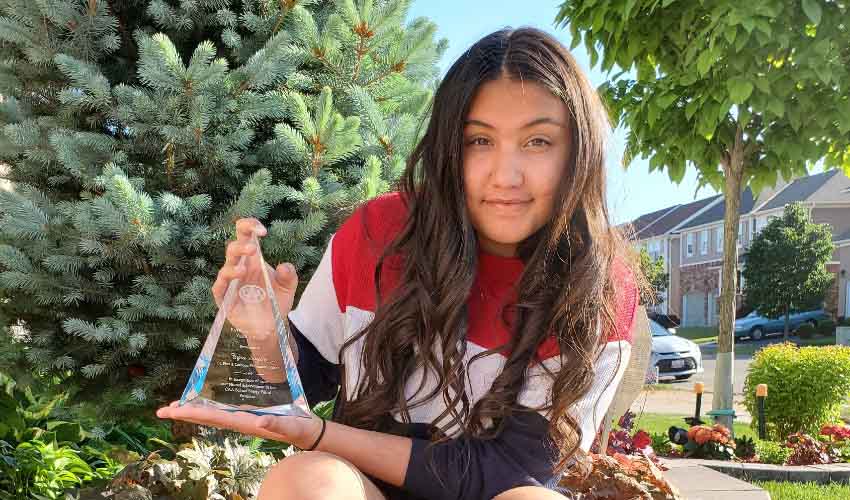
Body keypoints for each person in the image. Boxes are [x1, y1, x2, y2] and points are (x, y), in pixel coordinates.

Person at [157, 26, 642, 500]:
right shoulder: (379, 233)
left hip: (496, 492)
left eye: (538, 142)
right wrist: (264, 333)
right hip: (361, 486)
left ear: (578, 151)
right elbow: (305, 379)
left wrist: (320, 435)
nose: (506, 175)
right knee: (306, 484)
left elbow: (510, 470)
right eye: (479, 141)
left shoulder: (599, 287)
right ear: (449, 147)